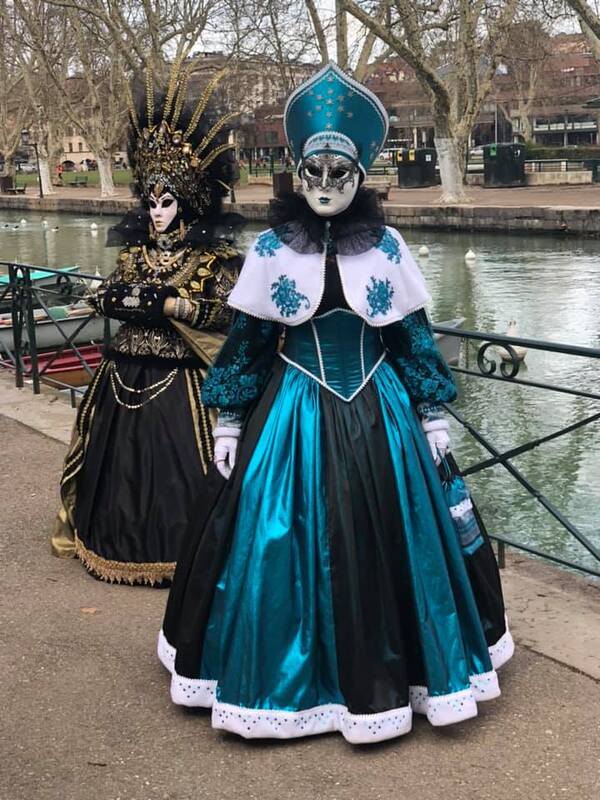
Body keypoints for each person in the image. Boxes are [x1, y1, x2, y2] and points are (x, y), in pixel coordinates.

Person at [158, 62, 513, 743]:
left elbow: (409, 337)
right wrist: (229, 419)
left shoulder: (386, 247)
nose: (324, 185)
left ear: (358, 176)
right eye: (313, 172)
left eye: (339, 173)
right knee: (274, 541)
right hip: (292, 409)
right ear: (298, 171)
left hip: (379, 411)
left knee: (391, 538)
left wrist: (432, 413)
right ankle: (282, 679)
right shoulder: (269, 249)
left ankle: (398, 677)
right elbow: (250, 341)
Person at [51, 64, 243, 585]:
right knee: (119, 469)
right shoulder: (134, 254)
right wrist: (107, 300)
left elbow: (231, 315)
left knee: (181, 471)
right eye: (151, 202)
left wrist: (176, 307)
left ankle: (191, 554)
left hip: (183, 382)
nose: (157, 213)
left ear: (187, 203)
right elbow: (113, 295)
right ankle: (108, 542)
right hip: (122, 375)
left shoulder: (214, 259)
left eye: (167, 203)